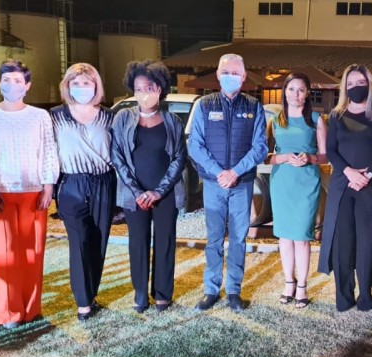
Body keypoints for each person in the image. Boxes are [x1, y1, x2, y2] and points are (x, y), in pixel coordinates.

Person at [0, 59, 60, 329]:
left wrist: (48, 185)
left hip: (34, 193)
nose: (12, 85)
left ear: (27, 85)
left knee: (32, 252)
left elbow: (48, 150)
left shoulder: (40, 116)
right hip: (0, 194)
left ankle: (31, 308)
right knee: (4, 255)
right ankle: (8, 312)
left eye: (18, 80)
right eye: (7, 80)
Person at [188, 53, 268, 312]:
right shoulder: (204, 105)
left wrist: (235, 172)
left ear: (243, 77)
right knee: (213, 239)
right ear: (218, 75)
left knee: (238, 239)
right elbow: (195, 145)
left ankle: (234, 290)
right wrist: (218, 172)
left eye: (235, 73)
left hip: (241, 184)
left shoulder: (254, 106)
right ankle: (211, 289)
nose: (230, 77)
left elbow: (260, 147)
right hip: (213, 184)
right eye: (226, 72)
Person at [111, 60, 186, 314]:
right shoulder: (123, 118)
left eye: (149, 88)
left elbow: (179, 158)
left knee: (165, 242)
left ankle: (163, 294)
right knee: (138, 243)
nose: (144, 93)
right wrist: (138, 192)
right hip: (134, 195)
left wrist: (159, 191)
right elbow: (117, 156)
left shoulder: (172, 120)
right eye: (139, 88)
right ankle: (140, 294)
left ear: (160, 89)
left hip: (165, 194)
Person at [317, 64, 372, 312]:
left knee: (367, 242)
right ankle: (343, 297)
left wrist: (367, 174)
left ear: (369, 85)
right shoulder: (337, 115)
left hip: (370, 186)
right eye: (350, 84)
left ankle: (365, 296)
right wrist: (349, 172)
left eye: (360, 82)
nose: (355, 87)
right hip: (342, 184)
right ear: (344, 88)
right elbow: (331, 150)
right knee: (342, 242)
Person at [51, 63, 116, 322]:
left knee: (98, 242)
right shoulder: (55, 116)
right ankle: (83, 304)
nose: (81, 87)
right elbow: (47, 153)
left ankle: (91, 294)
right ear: (67, 86)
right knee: (79, 241)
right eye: (75, 83)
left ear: (96, 86)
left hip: (103, 182)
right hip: (71, 184)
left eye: (87, 83)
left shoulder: (109, 117)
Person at [267, 72, 327, 308]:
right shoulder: (276, 120)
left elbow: (326, 156)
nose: (295, 94)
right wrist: (282, 157)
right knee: (284, 237)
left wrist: (310, 157)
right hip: (282, 182)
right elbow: (265, 156)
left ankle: (302, 285)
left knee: (302, 237)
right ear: (285, 92)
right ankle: (288, 283)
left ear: (307, 94)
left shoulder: (316, 120)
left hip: (306, 183)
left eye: (301, 90)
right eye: (291, 89)